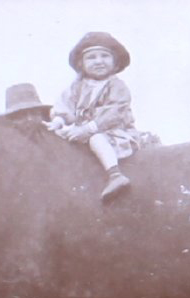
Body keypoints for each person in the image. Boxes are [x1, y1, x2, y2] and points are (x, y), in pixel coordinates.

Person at [44, 32, 141, 203]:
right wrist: (58, 122)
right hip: (83, 131)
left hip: (112, 132)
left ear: (115, 62)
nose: (98, 61)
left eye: (105, 56)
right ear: (81, 64)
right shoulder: (76, 87)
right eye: (91, 57)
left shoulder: (116, 86)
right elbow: (65, 106)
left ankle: (115, 175)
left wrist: (87, 129)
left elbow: (114, 113)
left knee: (96, 139)